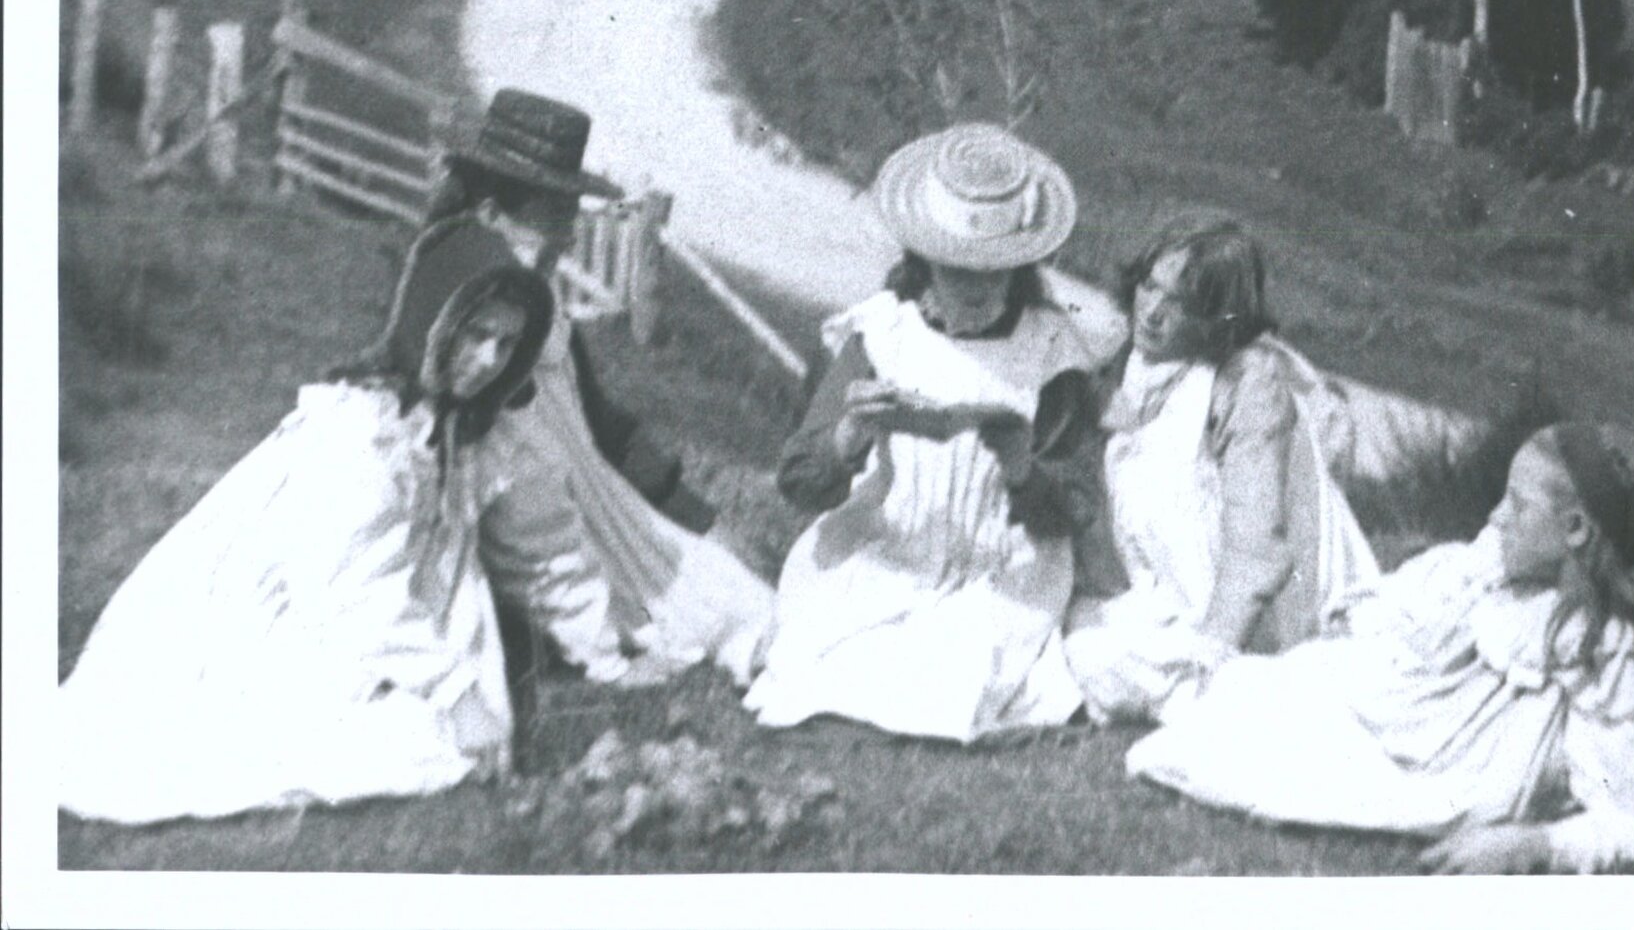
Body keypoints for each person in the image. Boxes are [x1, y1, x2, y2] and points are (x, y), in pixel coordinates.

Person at [58, 217, 643, 826]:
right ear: (431, 327)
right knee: (417, 740)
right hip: (291, 609)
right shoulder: (363, 435)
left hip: (375, 609)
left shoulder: (464, 434)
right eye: (475, 335)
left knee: (455, 729)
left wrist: (604, 653)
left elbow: (541, 551)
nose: (490, 360)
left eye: (506, 344)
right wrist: (457, 692)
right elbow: (349, 591)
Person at [1125, 422, 1634, 874]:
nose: (1497, 515)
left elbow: (1631, 822)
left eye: (1517, 505)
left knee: (1234, 751)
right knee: (1238, 692)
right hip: (1410, 708)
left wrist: (1530, 845)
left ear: (1575, 531)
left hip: (1461, 767)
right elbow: (1427, 602)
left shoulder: (1610, 651)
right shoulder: (1504, 559)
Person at [745, 121, 1104, 742]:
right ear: (924, 264)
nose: (974, 289)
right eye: (956, 271)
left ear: (1020, 271)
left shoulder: (1050, 350)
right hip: (891, 543)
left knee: (951, 675)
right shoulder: (884, 333)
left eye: (994, 273)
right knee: (826, 661)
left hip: (1000, 566)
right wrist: (852, 432)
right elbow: (801, 482)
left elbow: (1075, 510)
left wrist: (1022, 469)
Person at [425, 90, 776, 687]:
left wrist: (701, 519)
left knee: (748, 604)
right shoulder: (447, 318)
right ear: (488, 214)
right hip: (515, 537)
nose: (567, 234)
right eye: (552, 215)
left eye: (570, 213)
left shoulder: (545, 304)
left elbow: (603, 426)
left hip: (604, 517)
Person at [1063, 215, 1379, 723]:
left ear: (1220, 318)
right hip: (1175, 602)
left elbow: (1260, 554)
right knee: (1069, 648)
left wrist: (1211, 659)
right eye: (1149, 286)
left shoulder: (1250, 380)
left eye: (1183, 303)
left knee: (1216, 700)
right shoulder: (1134, 362)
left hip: (1264, 616)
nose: (1154, 312)